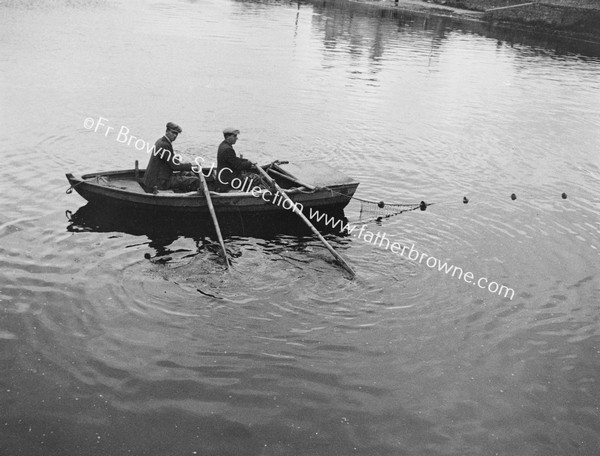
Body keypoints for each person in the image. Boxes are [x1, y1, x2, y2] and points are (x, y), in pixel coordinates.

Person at [142, 122, 199, 193]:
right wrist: (191, 165)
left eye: (176, 134)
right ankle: (187, 196)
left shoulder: (160, 141)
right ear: (167, 131)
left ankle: (181, 192)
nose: (175, 136)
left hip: (155, 178)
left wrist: (183, 163)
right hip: (160, 182)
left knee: (188, 173)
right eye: (173, 133)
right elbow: (175, 166)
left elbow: (169, 160)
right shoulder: (165, 145)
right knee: (194, 181)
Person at [215, 127, 260, 192]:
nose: (237, 138)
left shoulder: (223, 145)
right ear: (228, 136)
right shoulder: (228, 149)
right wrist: (249, 164)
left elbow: (233, 160)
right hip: (228, 181)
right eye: (234, 136)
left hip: (225, 177)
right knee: (256, 178)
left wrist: (246, 160)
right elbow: (238, 166)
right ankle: (245, 193)